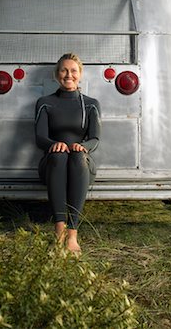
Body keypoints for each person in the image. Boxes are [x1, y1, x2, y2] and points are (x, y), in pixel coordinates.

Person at [35, 53, 101, 253]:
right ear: (56, 74)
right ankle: (59, 232)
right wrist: (54, 145)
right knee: (58, 155)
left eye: (73, 70)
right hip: (52, 163)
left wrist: (83, 147)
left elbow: (95, 139)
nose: (68, 75)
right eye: (64, 70)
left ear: (80, 74)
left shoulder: (90, 104)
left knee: (76, 156)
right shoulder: (44, 102)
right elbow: (39, 138)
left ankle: (72, 235)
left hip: (81, 164)